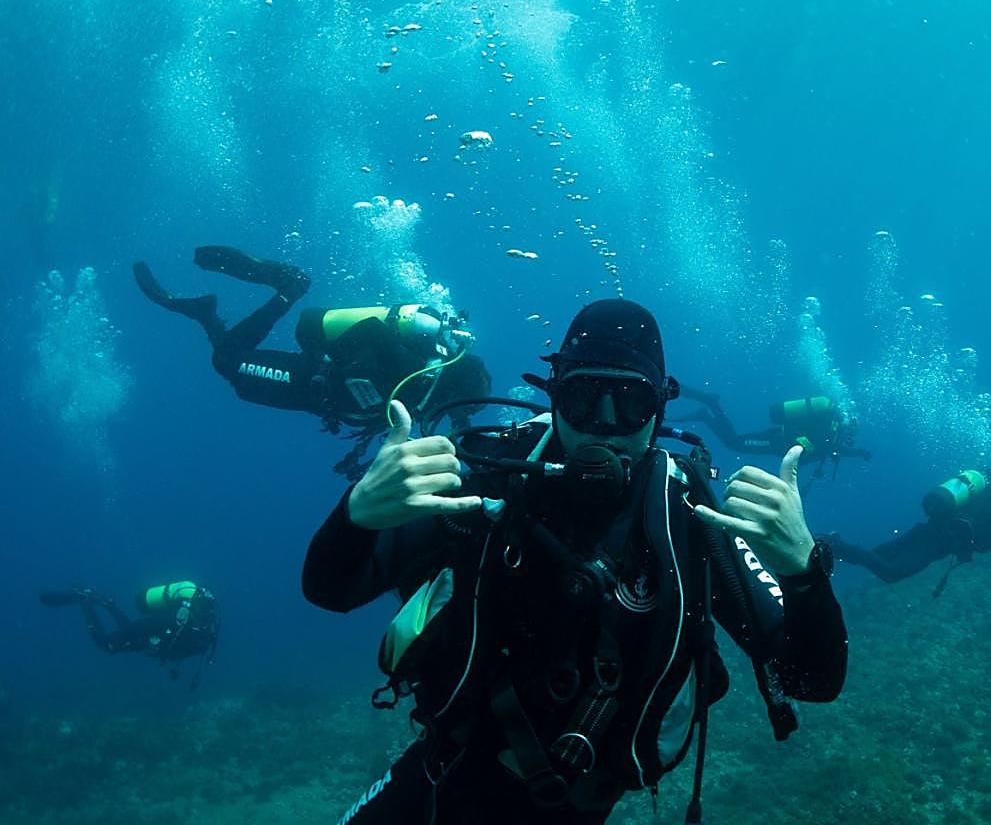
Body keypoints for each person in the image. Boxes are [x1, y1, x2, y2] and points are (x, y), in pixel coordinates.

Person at [303, 298, 848, 824]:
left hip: (577, 808)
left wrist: (803, 570)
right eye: (583, 396)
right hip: (444, 774)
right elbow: (330, 591)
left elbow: (812, 680)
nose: (604, 423)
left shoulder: (690, 517)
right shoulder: (491, 486)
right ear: (553, 398)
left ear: (658, 409)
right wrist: (356, 516)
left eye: (630, 401)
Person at [133, 247, 493, 478]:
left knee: (231, 368)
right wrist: (338, 365)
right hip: (310, 378)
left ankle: (206, 315)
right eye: (465, 406)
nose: (459, 414)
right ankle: (290, 288)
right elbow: (369, 329)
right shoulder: (415, 375)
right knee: (227, 363)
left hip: (311, 393)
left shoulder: (422, 391)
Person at [833, 469, 991, 595]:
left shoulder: (967, 493)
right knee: (891, 573)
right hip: (934, 545)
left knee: (876, 555)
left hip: (923, 531)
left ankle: (835, 549)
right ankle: (833, 544)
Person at [675, 383, 870, 482]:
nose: (846, 439)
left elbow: (833, 449)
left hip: (778, 441)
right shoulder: (828, 432)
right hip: (777, 441)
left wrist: (860, 453)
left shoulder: (830, 434)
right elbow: (827, 446)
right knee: (734, 443)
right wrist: (858, 453)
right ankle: (711, 406)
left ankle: (708, 412)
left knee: (734, 442)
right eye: (848, 434)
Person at [39, 581, 219, 688]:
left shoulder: (203, 633)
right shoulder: (184, 624)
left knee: (133, 634)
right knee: (106, 645)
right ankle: (84, 600)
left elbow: (139, 631)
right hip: (155, 634)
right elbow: (139, 628)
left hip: (154, 638)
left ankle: (109, 604)